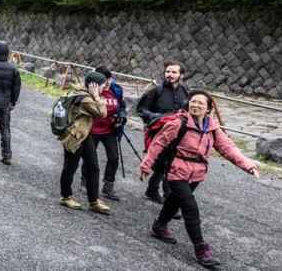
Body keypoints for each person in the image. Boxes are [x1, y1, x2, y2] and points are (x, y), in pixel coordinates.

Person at [140, 90, 259, 268]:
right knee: (190, 208)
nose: (195, 105)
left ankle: (159, 226)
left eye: (200, 104)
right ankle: (201, 248)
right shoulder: (178, 123)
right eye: (193, 102)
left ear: (208, 109)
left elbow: (227, 147)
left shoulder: (212, 127)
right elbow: (159, 143)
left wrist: (248, 165)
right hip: (176, 170)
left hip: (197, 173)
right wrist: (146, 165)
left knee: (174, 201)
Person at [59, 71, 111, 215]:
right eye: (102, 86)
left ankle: (94, 200)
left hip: (84, 134)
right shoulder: (85, 99)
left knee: (93, 167)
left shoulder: (81, 93)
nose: (103, 89)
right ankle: (66, 196)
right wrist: (96, 96)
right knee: (70, 167)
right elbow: (102, 113)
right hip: (75, 136)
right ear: (94, 86)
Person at [136, 61, 189, 203]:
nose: (170, 75)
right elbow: (141, 110)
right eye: (168, 72)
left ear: (181, 75)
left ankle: (155, 190)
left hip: (178, 133)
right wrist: (158, 118)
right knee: (163, 163)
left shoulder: (185, 92)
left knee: (170, 163)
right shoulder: (156, 90)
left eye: (173, 72)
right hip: (158, 132)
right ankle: (166, 195)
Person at [83, 66, 127, 201]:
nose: (107, 82)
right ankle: (85, 182)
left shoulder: (116, 90)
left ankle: (108, 187)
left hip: (110, 130)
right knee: (90, 158)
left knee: (114, 158)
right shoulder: (89, 91)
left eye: (109, 79)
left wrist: (121, 117)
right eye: (104, 79)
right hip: (92, 130)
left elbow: (122, 107)